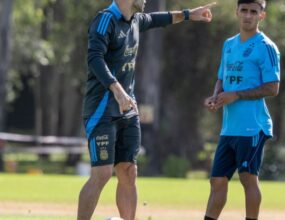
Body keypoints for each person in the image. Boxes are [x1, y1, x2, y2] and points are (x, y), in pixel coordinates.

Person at [78, 0, 216, 220]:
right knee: (102, 173)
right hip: (101, 109)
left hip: (128, 110)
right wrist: (117, 90)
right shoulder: (105, 20)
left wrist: (190, 14)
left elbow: (161, 18)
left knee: (128, 171)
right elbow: (95, 59)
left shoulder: (136, 20)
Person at [203, 0, 280, 220]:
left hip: (253, 127)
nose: (248, 15)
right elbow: (222, 77)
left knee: (247, 178)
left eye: (253, 12)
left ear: (261, 16)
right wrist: (216, 96)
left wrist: (236, 95)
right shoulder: (229, 44)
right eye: (244, 10)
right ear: (236, 12)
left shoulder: (266, 47)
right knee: (217, 180)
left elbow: (273, 88)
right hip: (229, 128)